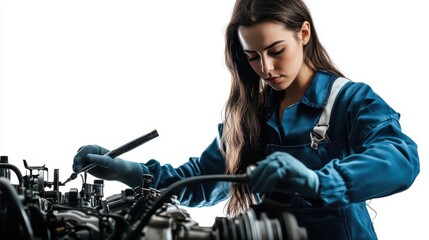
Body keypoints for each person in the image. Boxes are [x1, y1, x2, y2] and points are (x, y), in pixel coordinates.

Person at [72, 0, 420, 239]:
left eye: (276, 51)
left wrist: (317, 181)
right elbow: (198, 180)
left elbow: (400, 157)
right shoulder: (252, 113)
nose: (266, 68)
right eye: (252, 57)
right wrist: (130, 172)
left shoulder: (349, 100)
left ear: (304, 33)